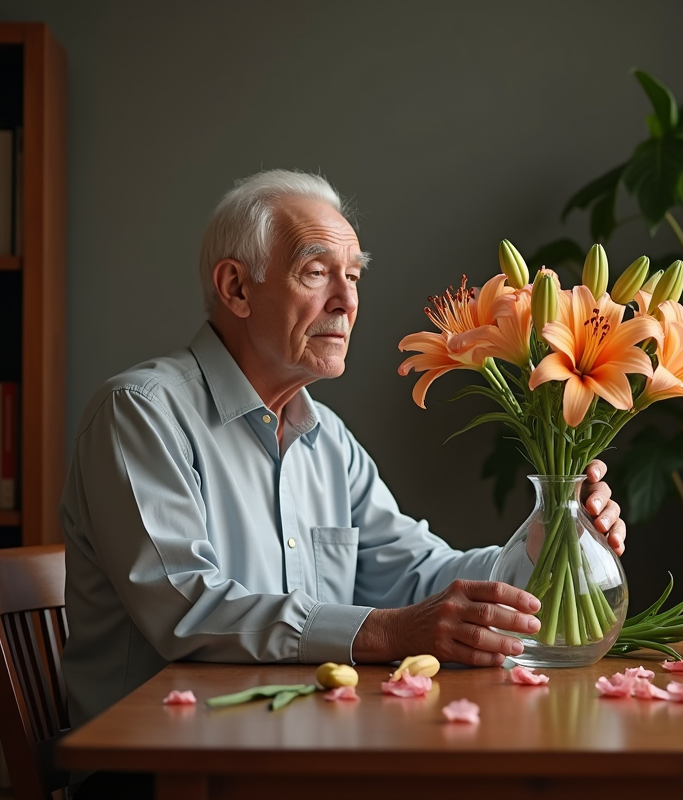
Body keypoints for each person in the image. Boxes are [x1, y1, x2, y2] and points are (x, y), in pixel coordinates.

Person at [59, 170, 627, 796]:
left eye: (354, 276)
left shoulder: (325, 436)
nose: (347, 301)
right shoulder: (141, 412)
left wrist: (546, 543)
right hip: (162, 772)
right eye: (316, 272)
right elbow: (187, 609)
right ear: (236, 288)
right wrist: (387, 630)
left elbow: (421, 577)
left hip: (302, 752)